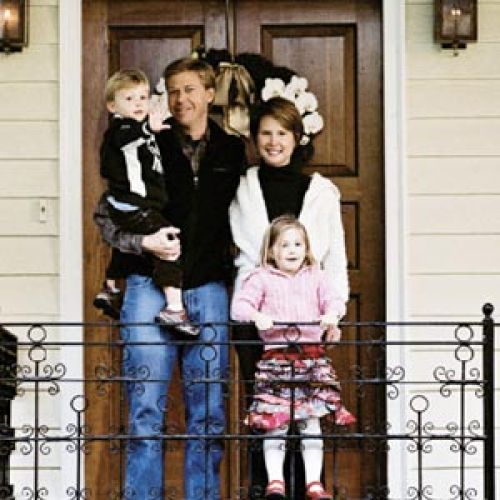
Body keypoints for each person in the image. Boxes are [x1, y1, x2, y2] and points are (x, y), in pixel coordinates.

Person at [94, 58, 246, 499]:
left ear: (209, 94)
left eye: (190, 89)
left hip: (209, 288)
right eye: (173, 91)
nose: (180, 99)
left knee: (209, 414)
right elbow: (106, 215)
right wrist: (144, 244)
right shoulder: (147, 140)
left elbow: (246, 217)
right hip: (148, 286)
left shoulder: (232, 150)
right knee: (145, 411)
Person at [229, 96, 350, 498]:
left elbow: (334, 259)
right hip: (259, 322)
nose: (273, 141)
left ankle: (311, 488)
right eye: (265, 133)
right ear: (255, 138)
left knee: (309, 413)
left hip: (309, 324)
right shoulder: (243, 188)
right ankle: (267, 489)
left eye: (282, 133)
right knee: (266, 412)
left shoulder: (321, 192)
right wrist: (248, 310)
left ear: (297, 137)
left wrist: (334, 314)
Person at [231, 215, 355, 500]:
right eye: (284, 245)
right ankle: (276, 481)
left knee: (310, 422)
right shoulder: (260, 278)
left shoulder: (317, 277)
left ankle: (314, 483)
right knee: (276, 421)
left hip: (311, 359)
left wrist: (332, 315)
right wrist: (257, 316)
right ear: (271, 251)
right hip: (276, 360)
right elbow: (239, 307)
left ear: (307, 248)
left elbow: (335, 301)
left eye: (298, 244)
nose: (292, 250)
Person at [93, 68, 198, 336]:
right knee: (169, 246)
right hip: (135, 203)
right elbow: (127, 138)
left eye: (143, 97)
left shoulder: (138, 130)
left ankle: (110, 288)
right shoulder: (122, 128)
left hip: (131, 204)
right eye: (129, 99)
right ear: (112, 106)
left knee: (129, 240)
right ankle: (174, 308)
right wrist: (148, 128)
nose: (138, 104)